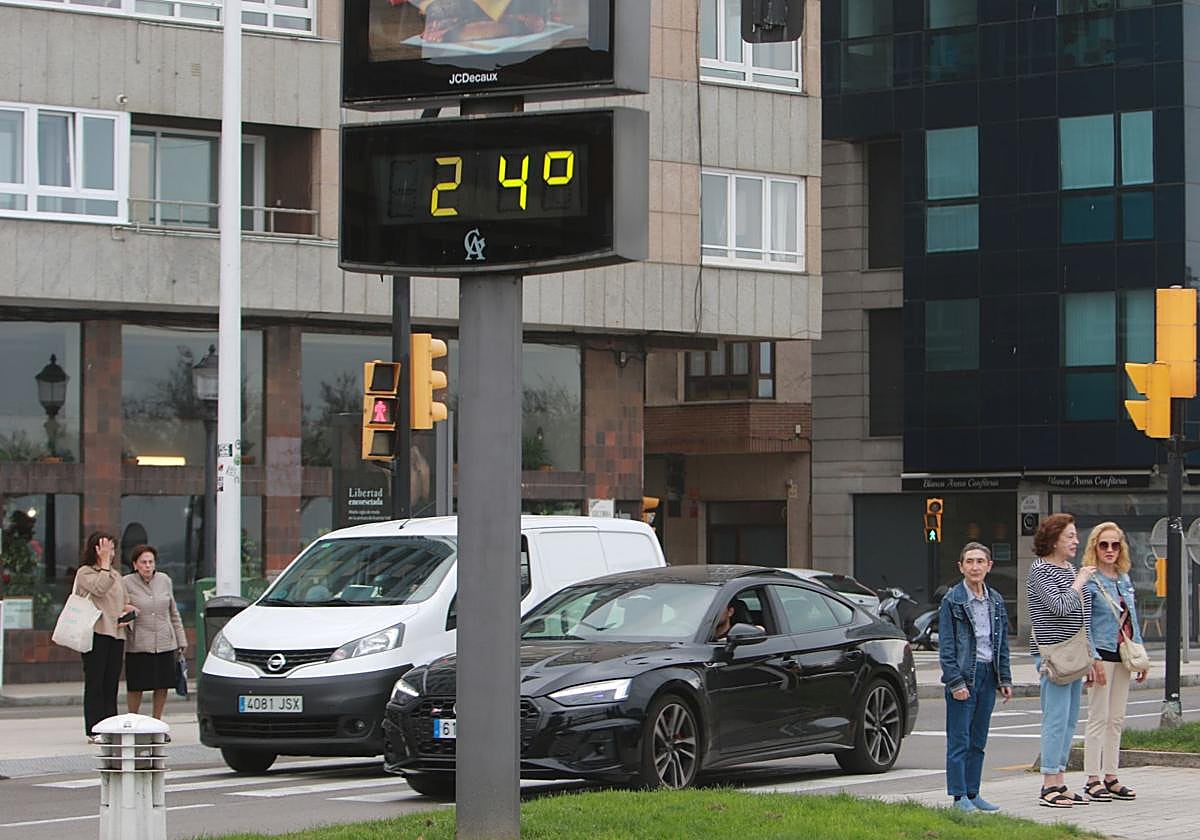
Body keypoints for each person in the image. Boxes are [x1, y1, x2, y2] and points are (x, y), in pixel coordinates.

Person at [1027, 512, 1099, 808]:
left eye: (1075, 536)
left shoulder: (1070, 569)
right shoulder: (1040, 570)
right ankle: (1047, 785)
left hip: (1075, 653)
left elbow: (1084, 617)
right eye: (1069, 536)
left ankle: (1059, 779)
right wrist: (1079, 582)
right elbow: (1059, 607)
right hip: (1053, 655)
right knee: (1055, 719)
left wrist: (1090, 656)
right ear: (1054, 539)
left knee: (1069, 720)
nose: (1076, 541)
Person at [939, 542, 1013, 813]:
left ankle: (974, 792)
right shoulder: (952, 600)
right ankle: (959, 797)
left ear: (989, 566)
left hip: (987, 674)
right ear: (961, 567)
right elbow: (947, 647)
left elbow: (1001, 643)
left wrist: (1004, 679)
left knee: (978, 740)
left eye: (980, 561)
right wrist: (955, 682)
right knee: (960, 740)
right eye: (969, 561)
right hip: (964, 676)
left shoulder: (996, 600)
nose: (975, 567)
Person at [1081, 522, 1146, 802]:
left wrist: (1140, 654)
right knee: (1098, 716)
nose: (1110, 550)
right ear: (1094, 547)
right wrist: (1092, 658)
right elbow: (1084, 623)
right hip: (1101, 652)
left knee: (1116, 718)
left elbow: (1131, 618)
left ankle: (1111, 775)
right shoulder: (1090, 580)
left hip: (1123, 654)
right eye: (1104, 545)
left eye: (1115, 545)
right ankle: (1092, 778)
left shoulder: (1124, 578)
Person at [73, 531, 136, 741]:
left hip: (116, 633)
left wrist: (129, 612)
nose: (111, 552)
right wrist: (104, 563)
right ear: (96, 550)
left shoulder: (116, 575)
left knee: (111, 683)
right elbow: (99, 589)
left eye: (112, 548)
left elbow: (124, 600)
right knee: (96, 682)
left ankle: (111, 726)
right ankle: (94, 729)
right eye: (106, 548)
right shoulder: (85, 573)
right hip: (96, 632)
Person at [123, 545, 187, 720]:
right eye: (143, 562)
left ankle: (156, 721)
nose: (148, 566)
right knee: (136, 686)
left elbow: (173, 612)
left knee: (162, 685)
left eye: (151, 562)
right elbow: (119, 608)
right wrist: (128, 610)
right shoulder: (126, 582)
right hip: (139, 643)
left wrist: (181, 640)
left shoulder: (164, 580)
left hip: (164, 641)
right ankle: (133, 720)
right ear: (135, 564)